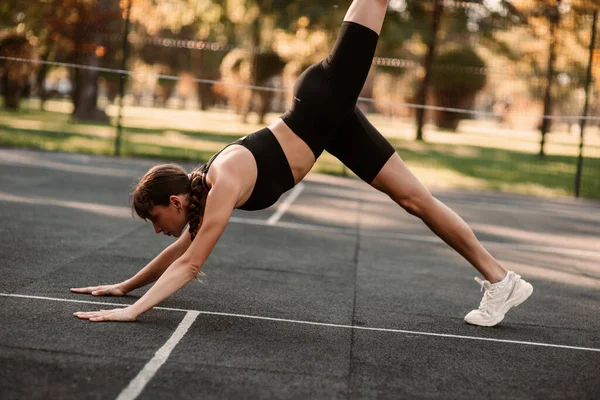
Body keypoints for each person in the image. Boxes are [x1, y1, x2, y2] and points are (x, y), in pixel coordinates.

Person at [72, 0, 533, 327]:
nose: (158, 229)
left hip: (324, 100)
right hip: (328, 125)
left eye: (156, 218)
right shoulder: (202, 198)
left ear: (173, 200)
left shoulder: (224, 181)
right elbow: (181, 249)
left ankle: (498, 278)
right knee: (416, 200)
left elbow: (190, 264)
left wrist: (134, 311)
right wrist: (124, 287)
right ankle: (502, 281)